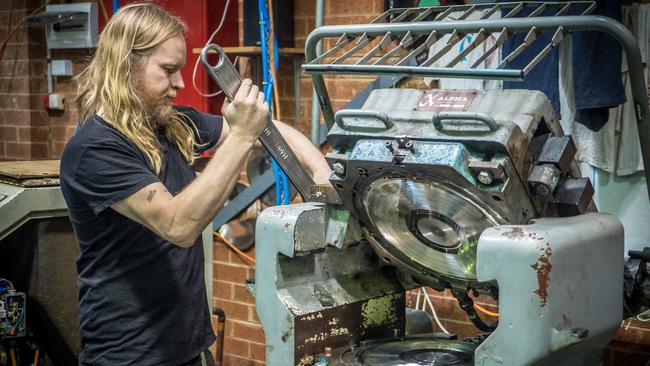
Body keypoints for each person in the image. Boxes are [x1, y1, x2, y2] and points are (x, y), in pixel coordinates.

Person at [59, 3, 331, 366]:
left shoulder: (171, 124)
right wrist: (240, 135)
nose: (180, 84)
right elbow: (178, 224)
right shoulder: (95, 148)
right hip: (127, 355)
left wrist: (320, 171)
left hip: (187, 347)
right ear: (125, 65)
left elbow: (268, 128)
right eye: (168, 70)